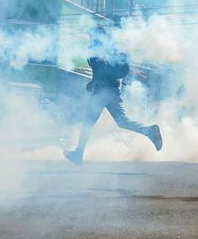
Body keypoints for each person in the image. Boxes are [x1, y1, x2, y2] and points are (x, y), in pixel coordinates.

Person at [63, 26, 162, 165]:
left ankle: (78, 153)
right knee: (122, 121)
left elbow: (100, 72)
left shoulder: (96, 49)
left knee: (87, 123)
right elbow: (108, 71)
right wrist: (95, 81)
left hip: (102, 92)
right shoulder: (112, 48)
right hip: (113, 91)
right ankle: (149, 131)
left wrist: (93, 82)